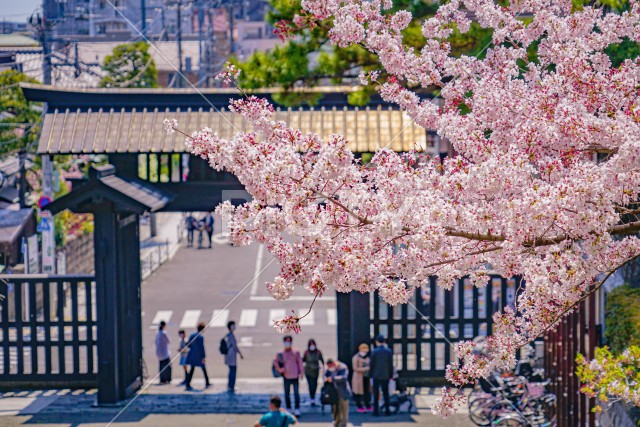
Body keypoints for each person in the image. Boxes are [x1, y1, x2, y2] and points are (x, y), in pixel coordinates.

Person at [273, 335, 304, 417]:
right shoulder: (280, 353)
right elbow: (275, 362)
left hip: (295, 375)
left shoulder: (296, 352)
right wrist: (280, 369)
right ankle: (289, 408)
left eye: (289, 341)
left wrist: (301, 373)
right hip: (286, 376)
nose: (288, 343)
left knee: (296, 393)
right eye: (286, 341)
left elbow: (300, 363)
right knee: (287, 393)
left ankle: (297, 409)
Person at [370, 334, 394, 416]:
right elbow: (390, 365)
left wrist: (370, 374)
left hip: (376, 375)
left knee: (376, 394)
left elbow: (372, 364)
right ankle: (387, 410)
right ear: (384, 342)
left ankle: (375, 411)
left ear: (377, 342)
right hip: (385, 375)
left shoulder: (374, 351)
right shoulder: (389, 351)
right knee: (385, 393)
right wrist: (391, 375)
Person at [325, 359, 352, 427]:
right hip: (334, 393)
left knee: (344, 409)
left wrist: (333, 378)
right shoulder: (329, 369)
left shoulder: (342, 367)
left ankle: (344, 424)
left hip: (343, 392)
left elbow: (343, 377)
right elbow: (325, 376)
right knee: (336, 409)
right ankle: (337, 422)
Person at [185, 322, 210, 390]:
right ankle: (207, 382)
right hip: (198, 356)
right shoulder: (200, 337)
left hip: (192, 355)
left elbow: (188, 344)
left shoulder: (192, 335)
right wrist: (203, 356)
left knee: (192, 369)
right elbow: (201, 348)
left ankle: (188, 382)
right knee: (203, 368)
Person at [223, 320, 243, 393]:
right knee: (233, 371)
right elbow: (235, 346)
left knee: (231, 371)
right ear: (230, 327)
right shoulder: (231, 335)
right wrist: (240, 354)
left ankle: (230, 386)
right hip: (231, 356)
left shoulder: (228, 335)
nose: (234, 327)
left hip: (229, 355)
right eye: (233, 325)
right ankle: (231, 386)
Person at [302, 338, 324, 406]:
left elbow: (322, 361)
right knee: (310, 385)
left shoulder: (318, 352)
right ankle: (311, 398)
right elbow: (303, 360)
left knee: (314, 385)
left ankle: (313, 397)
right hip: (308, 371)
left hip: (315, 371)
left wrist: (323, 369)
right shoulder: (306, 352)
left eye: (313, 344)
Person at [352, 343, 372, 412]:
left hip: (366, 377)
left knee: (366, 391)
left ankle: (367, 405)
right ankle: (359, 406)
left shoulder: (367, 357)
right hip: (358, 377)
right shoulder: (356, 357)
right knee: (358, 392)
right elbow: (355, 368)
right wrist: (365, 369)